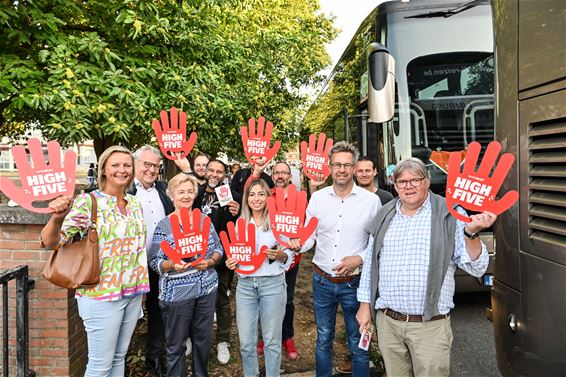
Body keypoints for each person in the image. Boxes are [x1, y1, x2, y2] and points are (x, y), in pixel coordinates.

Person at [356, 158, 495, 377]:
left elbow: (477, 268)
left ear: (427, 182)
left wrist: (472, 233)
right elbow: (371, 264)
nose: (408, 186)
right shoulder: (385, 215)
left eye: (415, 180)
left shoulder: (450, 214)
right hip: (389, 323)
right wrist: (364, 306)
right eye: (401, 182)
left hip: (430, 326)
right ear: (395, 185)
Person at [40, 145, 149, 376]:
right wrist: (56, 219)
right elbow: (52, 243)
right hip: (100, 295)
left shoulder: (135, 203)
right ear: (103, 170)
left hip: (133, 292)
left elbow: (137, 251)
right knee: (100, 366)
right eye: (116, 165)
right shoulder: (89, 202)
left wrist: (142, 292)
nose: (122, 170)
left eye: (127, 165)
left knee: (119, 358)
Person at [298, 141, 382, 377]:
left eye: (347, 165)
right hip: (322, 281)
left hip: (355, 284)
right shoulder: (317, 199)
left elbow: (378, 244)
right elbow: (308, 238)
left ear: (355, 168)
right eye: (337, 165)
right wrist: (295, 245)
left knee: (358, 343)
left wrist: (360, 258)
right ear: (330, 167)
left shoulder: (371, 202)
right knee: (323, 339)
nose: (342, 170)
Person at [148, 173, 223, 377]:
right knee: (176, 346)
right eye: (181, 192)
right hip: (177, 295)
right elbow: (154, 261)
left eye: (190, 191)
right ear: (171, 195)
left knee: (203, 340)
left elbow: (218, 248)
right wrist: (171, 265)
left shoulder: (204, 220)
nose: (186, 196)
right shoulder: (164, 225)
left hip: (206, 289)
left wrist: (211, 261)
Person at [225, 179, 297, 377]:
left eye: (260, 194)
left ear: (268, 197)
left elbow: (289, 255)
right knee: (246, 343)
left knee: (272, 341)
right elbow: (237, 256)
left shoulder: (278, 223)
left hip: (272, 285)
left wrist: (281, 256)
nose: (256, 199)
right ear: (246, 198)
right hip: (246, 287)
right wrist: (231, 262)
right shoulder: (239, 224)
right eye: (252, 194)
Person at [130, 145, 174, 376]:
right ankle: (122, 357)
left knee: (158, 310)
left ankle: (154, 356)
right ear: (135, 163)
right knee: (128, 311)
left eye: (155, 166)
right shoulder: (125, 191)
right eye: (146, 164)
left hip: (159, 263)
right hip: (130, 265)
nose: (151, 170)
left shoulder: (164, 190)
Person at [193, 159, 241, 364]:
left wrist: (238, 213)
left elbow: (240, 225)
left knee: (221, 301)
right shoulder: (195, 192)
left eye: (219, 172)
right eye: (210, 170)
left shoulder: (232, 198)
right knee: (193, 299)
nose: (214, 174)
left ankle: (223, 341)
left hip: (220, 257)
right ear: (204, 171)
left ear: (225, 174)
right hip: (194, 256)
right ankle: (190, 337)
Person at [253, 161, 300, 360]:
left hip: (292, 259)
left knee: (287, 300)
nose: (280, 176)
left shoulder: (299, 198)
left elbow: (306, 226)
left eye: (284, 173)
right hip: (267, 259)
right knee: (266, 300)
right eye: (277, 172)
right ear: (272, 176)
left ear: (290, 176)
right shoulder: (265, 196)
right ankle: (266, 337)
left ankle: (286, 336)